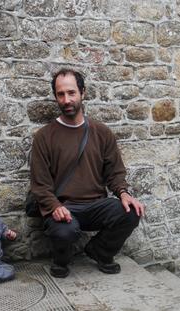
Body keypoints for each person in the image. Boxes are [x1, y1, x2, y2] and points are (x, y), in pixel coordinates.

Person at [29, 68, 145, 278]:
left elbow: (115, 172)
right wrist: (54, 206)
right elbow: (40, 184)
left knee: (131, 212)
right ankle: (61, 259)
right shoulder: (45, 137)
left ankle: (100, 251)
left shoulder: (101, 132)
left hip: (95, 205)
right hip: (63, 207)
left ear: (83, 93)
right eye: (61, 94)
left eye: (71, 93)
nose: (66, 100)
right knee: (66, 231)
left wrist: (124, 194)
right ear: (56, 96)